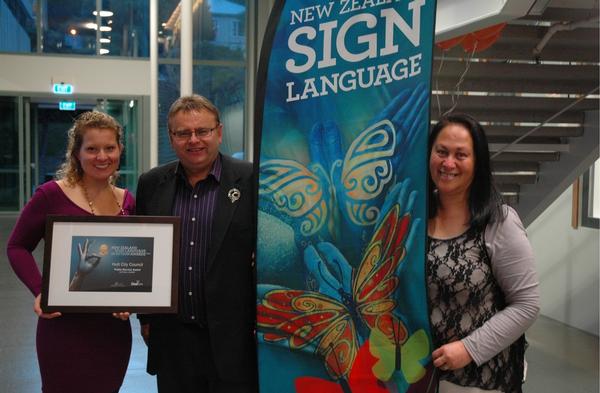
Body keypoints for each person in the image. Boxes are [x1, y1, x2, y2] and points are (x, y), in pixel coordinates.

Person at [135, 94, 257, 393]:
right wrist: (146, 317)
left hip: (233, 340)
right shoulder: (151, 183)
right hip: (173, 340)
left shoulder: (252, 179)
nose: (194, 140)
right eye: (183, 133)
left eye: (202, 131)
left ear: (219, 132)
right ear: (171, 137)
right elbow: (143, 254)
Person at [6, 111, 135, 393]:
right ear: (76, 153)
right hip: (64, 328)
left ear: (120, 150)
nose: (102, 156)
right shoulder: (50, 195)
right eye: (91, 149)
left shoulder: (128, 201)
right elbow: (17, 247)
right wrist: (40, 290)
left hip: (112, 330)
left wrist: (131, 300)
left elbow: (133, 262)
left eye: (109, 148)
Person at [426, 113, 540, 393]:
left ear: (477, 163)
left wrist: (468, 348)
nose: (448, 163)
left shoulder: (499, 222)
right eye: (441, 151)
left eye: (460, 154)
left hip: (479, 381)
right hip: (420, 379)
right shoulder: (414, 217)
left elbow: (527, 304)